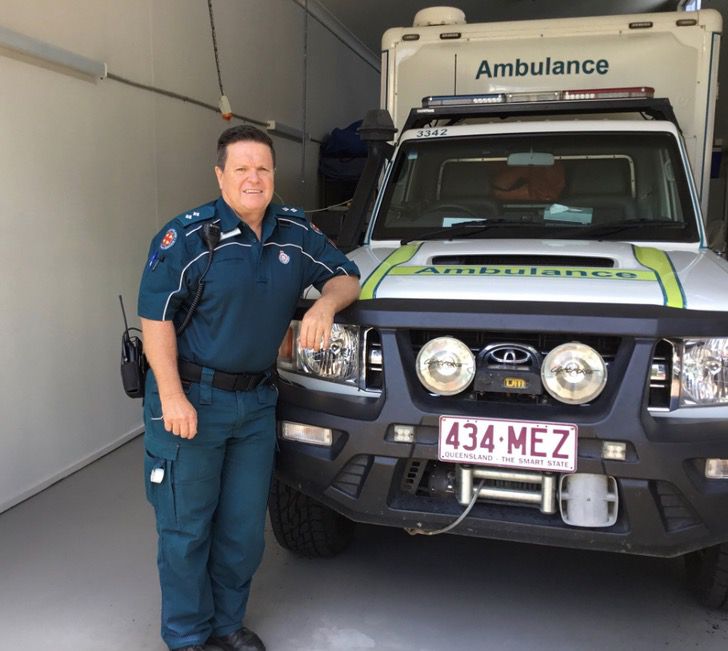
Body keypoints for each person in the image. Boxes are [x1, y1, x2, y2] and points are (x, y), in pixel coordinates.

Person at [137, 125, 360, 651]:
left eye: (263, 168)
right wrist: (171, 395)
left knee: (241, 530)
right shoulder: (187, 237)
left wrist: (325, 305)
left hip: (257, 404)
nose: (253, 178)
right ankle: (188, 637)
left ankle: (225, 625)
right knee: (186, 529)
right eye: (241, 168)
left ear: (274, 174)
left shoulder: (293, 231)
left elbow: (346, 276)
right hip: (193, 399)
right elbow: (156, 321)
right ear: (221, 176)